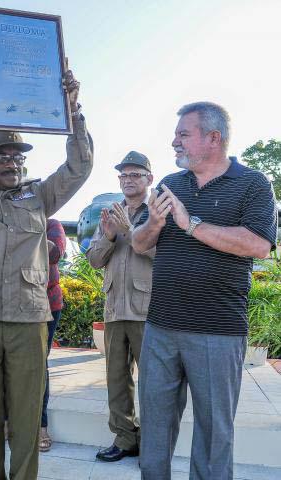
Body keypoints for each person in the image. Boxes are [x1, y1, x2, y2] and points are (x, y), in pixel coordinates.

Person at [0, 60, 92, 480]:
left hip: (29, 320)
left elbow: (78, 168)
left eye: (18, 156)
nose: (14, 162)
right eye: (3, 155)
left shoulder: (39, 197)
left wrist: (74, 111)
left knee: (27, 419)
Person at [132, 102, 278, 479]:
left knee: (214, 433)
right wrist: (155, 222)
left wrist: (189, 222)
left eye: (183, 134)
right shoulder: (169, 184)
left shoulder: (253, 184)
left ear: (213, 138)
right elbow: (139, 243)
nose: (174, 142)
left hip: (218, 332)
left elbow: (259, 244)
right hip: (160, 328)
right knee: (154, 427)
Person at [85, 152, 154, 462]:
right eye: (123, 176)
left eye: (135, 175)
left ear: (149, 179)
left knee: (154, 382)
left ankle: (154, 442)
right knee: (116, 379)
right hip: (115, 309)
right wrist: (110, 236)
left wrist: (128, 230)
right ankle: (125, 438)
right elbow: (94, 259)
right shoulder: (110, 213)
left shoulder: (159, 212)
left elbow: (162, 257)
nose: (128, 180)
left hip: (147, 310)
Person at [39, 218, 66, 452]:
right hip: (13, 304)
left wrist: (29, 234)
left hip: (48, 304)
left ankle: (41, 426)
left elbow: (56, 253)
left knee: (38, 364)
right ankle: (8, 421)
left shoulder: (52, 224)